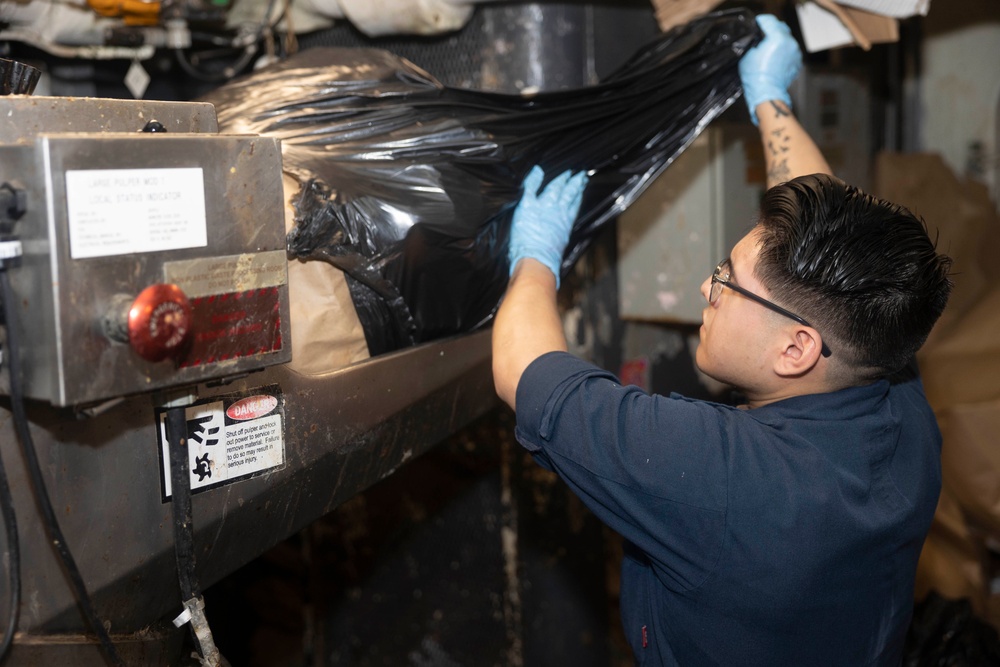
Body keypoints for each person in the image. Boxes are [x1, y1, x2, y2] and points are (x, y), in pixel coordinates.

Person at [492, 14, 953, 667]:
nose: (707, 289)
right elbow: (822, 229)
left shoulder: (725, 477)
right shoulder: (897, 397)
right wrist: (770, 100)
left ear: (796, 349)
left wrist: (535, 258)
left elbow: (526, 373)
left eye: (728, 282)